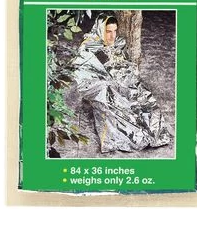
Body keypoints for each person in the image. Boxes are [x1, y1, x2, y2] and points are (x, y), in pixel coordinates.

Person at [68, 14, 171, 153]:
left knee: (143, 97)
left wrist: (126, 77)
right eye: (108, 31)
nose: (112, 36)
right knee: (116, 103)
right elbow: (84, 75)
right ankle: (132, 138)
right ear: (100, 30)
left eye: (115, 31)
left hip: (118, 81)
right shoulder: (89, 47)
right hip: (98, 86)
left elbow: (121, 64)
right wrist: (110, 81)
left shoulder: (117, 43)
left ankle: (153, 134)